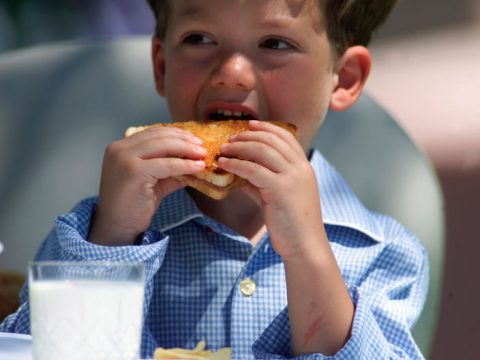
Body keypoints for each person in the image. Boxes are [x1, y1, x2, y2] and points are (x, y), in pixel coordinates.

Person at [1, 0, 429, 358]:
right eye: (199, 39)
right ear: (162, 65)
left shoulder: (383, 254)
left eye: (275, 43)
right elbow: (43, 348)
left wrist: (306, 251)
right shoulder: (98, 232)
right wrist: (113, 235)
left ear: (345, 78)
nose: (232, 73)